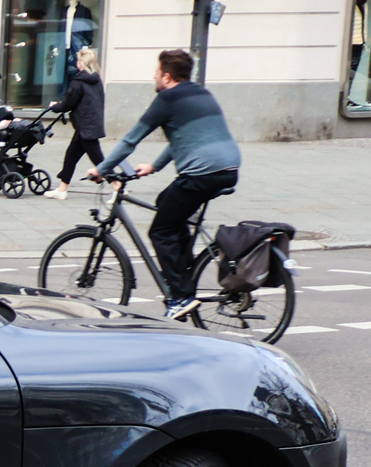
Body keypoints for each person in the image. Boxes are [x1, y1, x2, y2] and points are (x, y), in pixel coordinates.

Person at [94, 47, 242, 320]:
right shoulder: (201, 92)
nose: (154, 76)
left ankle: (181, 295)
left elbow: (130, 140)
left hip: (202, 173)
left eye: (156, 72)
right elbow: (184, 138)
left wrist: (101, 169)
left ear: (167, 76)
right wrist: (154, 166)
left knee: (160, 232)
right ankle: (185, 272)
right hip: (229, 168)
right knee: (167, 204)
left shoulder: (167, 99)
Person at [51, 48, 106, 199]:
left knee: (99, 160)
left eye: (78, 60)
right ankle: (62, 190)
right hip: (89, 125)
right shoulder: (96, 80)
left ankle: (118, 186)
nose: (76, 63)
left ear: (81, 63)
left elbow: (67, 104)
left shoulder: (78, 82)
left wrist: (54, 106)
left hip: (85, 128)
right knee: (71, 157)